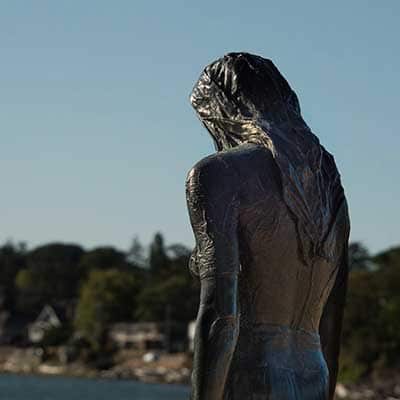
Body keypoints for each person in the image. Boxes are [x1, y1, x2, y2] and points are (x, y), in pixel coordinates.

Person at [186, 53, 350, 400]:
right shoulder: (328, 183)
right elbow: (332, 320)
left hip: (251, 376)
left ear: (221, 110)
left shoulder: (217, 174)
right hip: (314, 377)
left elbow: (221, 317)